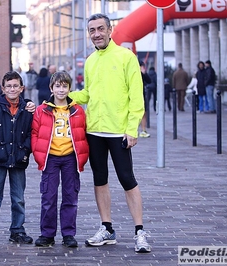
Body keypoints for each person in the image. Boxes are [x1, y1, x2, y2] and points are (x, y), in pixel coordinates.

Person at [68, 13, 151, 253]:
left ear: (110, 30)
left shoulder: (127, 57)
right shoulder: (91, 60)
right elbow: (88, 94)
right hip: (94, 131)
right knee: (100, 179)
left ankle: (139, 232)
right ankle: (107, 228)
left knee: (127, 179)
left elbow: (136, 96)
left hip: (119, 133)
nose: (96, 33)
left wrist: (131, 128)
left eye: (100, 29)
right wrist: (65, 97)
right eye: (92, 30)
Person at [31, 71, 89, 248]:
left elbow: (83, 133)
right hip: (51, 158)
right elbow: (35, 133)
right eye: (58, 86)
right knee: (48, 196)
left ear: (70, 88)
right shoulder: (42, 110)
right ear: (51, 88)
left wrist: (82, 156)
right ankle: (47, 234)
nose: (61, 90)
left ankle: (68, 234)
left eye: (65, 86)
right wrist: (37, 152)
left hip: (70, 158)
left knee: (70, 197)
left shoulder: (78, 110)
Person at [0, 71, 34, 245]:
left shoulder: (27, 110)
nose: (12, 89)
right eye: (8, 86)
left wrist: (25, 149)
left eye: (15, 86)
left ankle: (17, 230)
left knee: (18, 197)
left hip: (18, 158)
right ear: (2, 88)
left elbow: (33, 132)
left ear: (21, 88)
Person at [139, 61, 151, 138]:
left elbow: (149, 81)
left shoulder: (142, 74)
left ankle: (143, 130)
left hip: (141, 94)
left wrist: (144, 73)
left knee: (143, 112)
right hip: (132, 94)